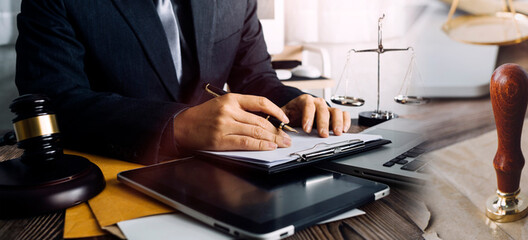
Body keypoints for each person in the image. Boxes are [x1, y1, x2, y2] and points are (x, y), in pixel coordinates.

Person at [14, 0, 349, 165]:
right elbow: (53, 103)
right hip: (115, 172)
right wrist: (176, 125)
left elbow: (256, 78)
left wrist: (293, 102)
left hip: (232, 174)